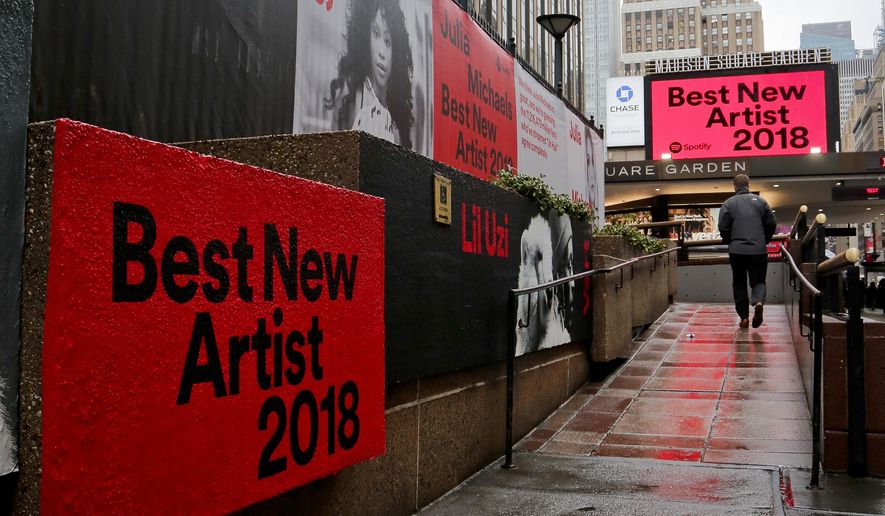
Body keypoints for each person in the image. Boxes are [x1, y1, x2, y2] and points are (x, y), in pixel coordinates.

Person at [324, 0, 414, 148]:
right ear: (366, 36)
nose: (381, 53)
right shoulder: (351, 95)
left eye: (388, 42)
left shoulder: (397, 117)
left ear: (396, 53)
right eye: (376, 34)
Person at [718, 174, 776, 328]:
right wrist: (764, 240)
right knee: (759, 281)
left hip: (736, 251)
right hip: (758, 250)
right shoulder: (761, 202)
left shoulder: (728, 203)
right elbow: (771, 224)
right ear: (749, 185)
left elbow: (723, 226)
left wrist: (730, 241)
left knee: (739, 282)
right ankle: (758, 302)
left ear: (734, 186)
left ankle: (744, 318)